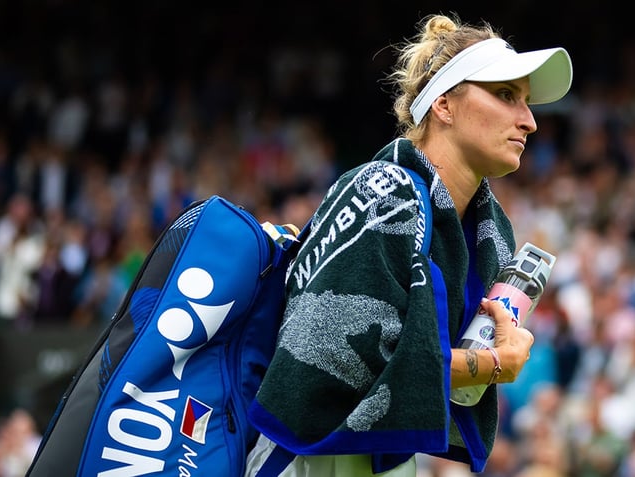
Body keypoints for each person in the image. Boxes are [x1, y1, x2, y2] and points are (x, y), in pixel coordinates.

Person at [245, 13, 573, 476]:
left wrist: (487, 361)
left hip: (384, 457)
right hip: (307, 452)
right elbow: (330, 363)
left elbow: (433, 374)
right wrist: (493, 364)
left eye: (526, 102)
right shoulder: (383, 190)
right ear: (443, 105)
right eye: (506, 95)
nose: (530, 121)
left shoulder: (491, 230)